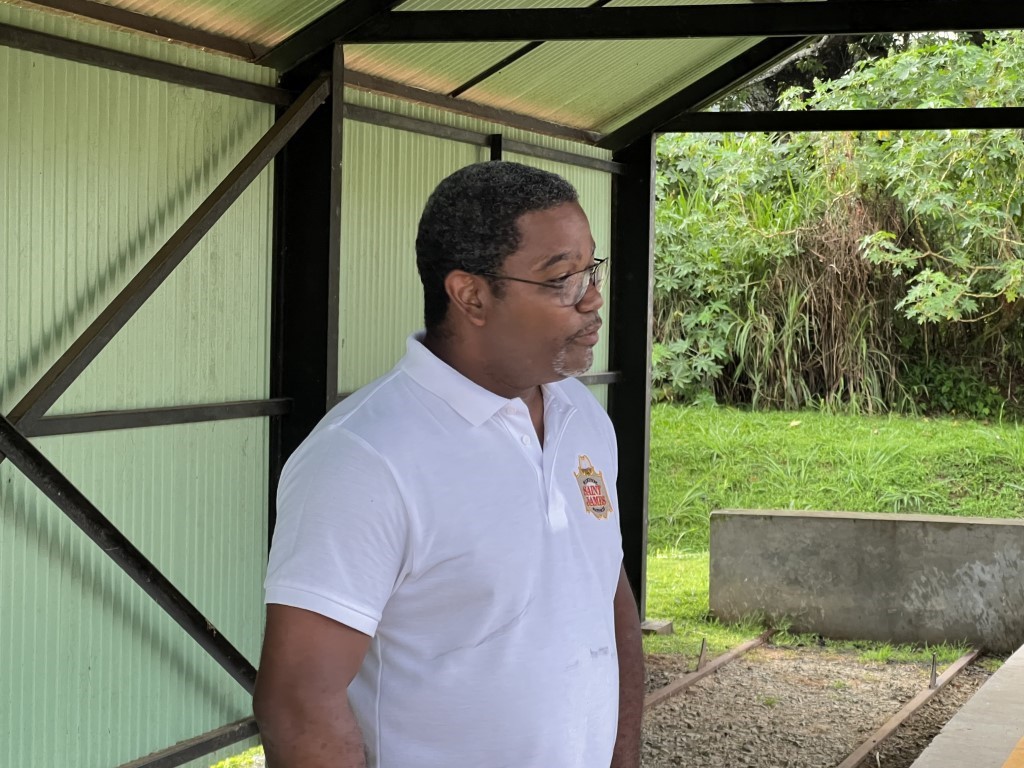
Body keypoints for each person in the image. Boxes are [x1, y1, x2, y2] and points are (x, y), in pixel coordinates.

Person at [253, 161, 644, 768]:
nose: (592, 298)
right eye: (562, 278)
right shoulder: (364, 459)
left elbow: (606, 599)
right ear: (471, 296)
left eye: (591, 269)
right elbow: (300, 703)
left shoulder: (582, 419)